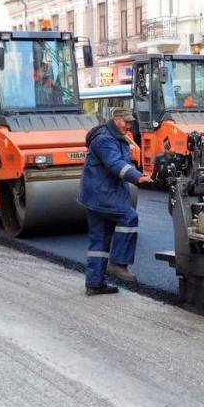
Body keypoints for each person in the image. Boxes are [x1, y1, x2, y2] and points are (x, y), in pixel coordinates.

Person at [78, 107, 153, 295]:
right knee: (129, 217)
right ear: (116, 119)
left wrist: (138, 173)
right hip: (102, 193)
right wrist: (137, 177)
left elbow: (121, 161)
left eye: (130, 122)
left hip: (95, 195)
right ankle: (118, 264)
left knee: (99, 241)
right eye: (126, 122)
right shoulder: (105, 139)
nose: (129, 126)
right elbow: (114, 163)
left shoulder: (117, 136)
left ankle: (94, 284)